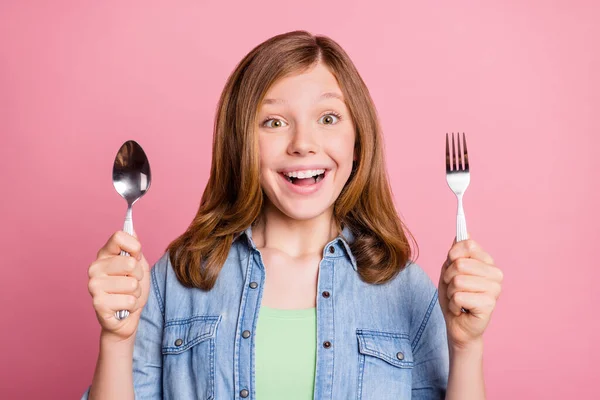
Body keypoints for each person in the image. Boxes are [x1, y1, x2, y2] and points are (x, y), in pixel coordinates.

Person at [82, 30, 503, 400]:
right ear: (240, 142)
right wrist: (117, 340)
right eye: (274, 121)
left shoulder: (405, 289)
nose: (303, 143)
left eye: (328, 118)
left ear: (358, 142)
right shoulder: (179, 279)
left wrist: (467, 348)